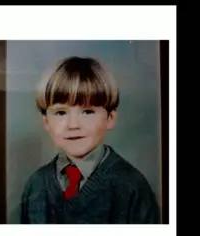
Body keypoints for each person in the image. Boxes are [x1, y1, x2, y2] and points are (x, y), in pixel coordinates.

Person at [20, 56, 160, 224]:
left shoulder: (131, 186)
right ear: (46, 122)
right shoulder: (36, 185)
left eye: (87, 112)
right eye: (61, 113)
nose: (73, 125)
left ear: (110, 118)